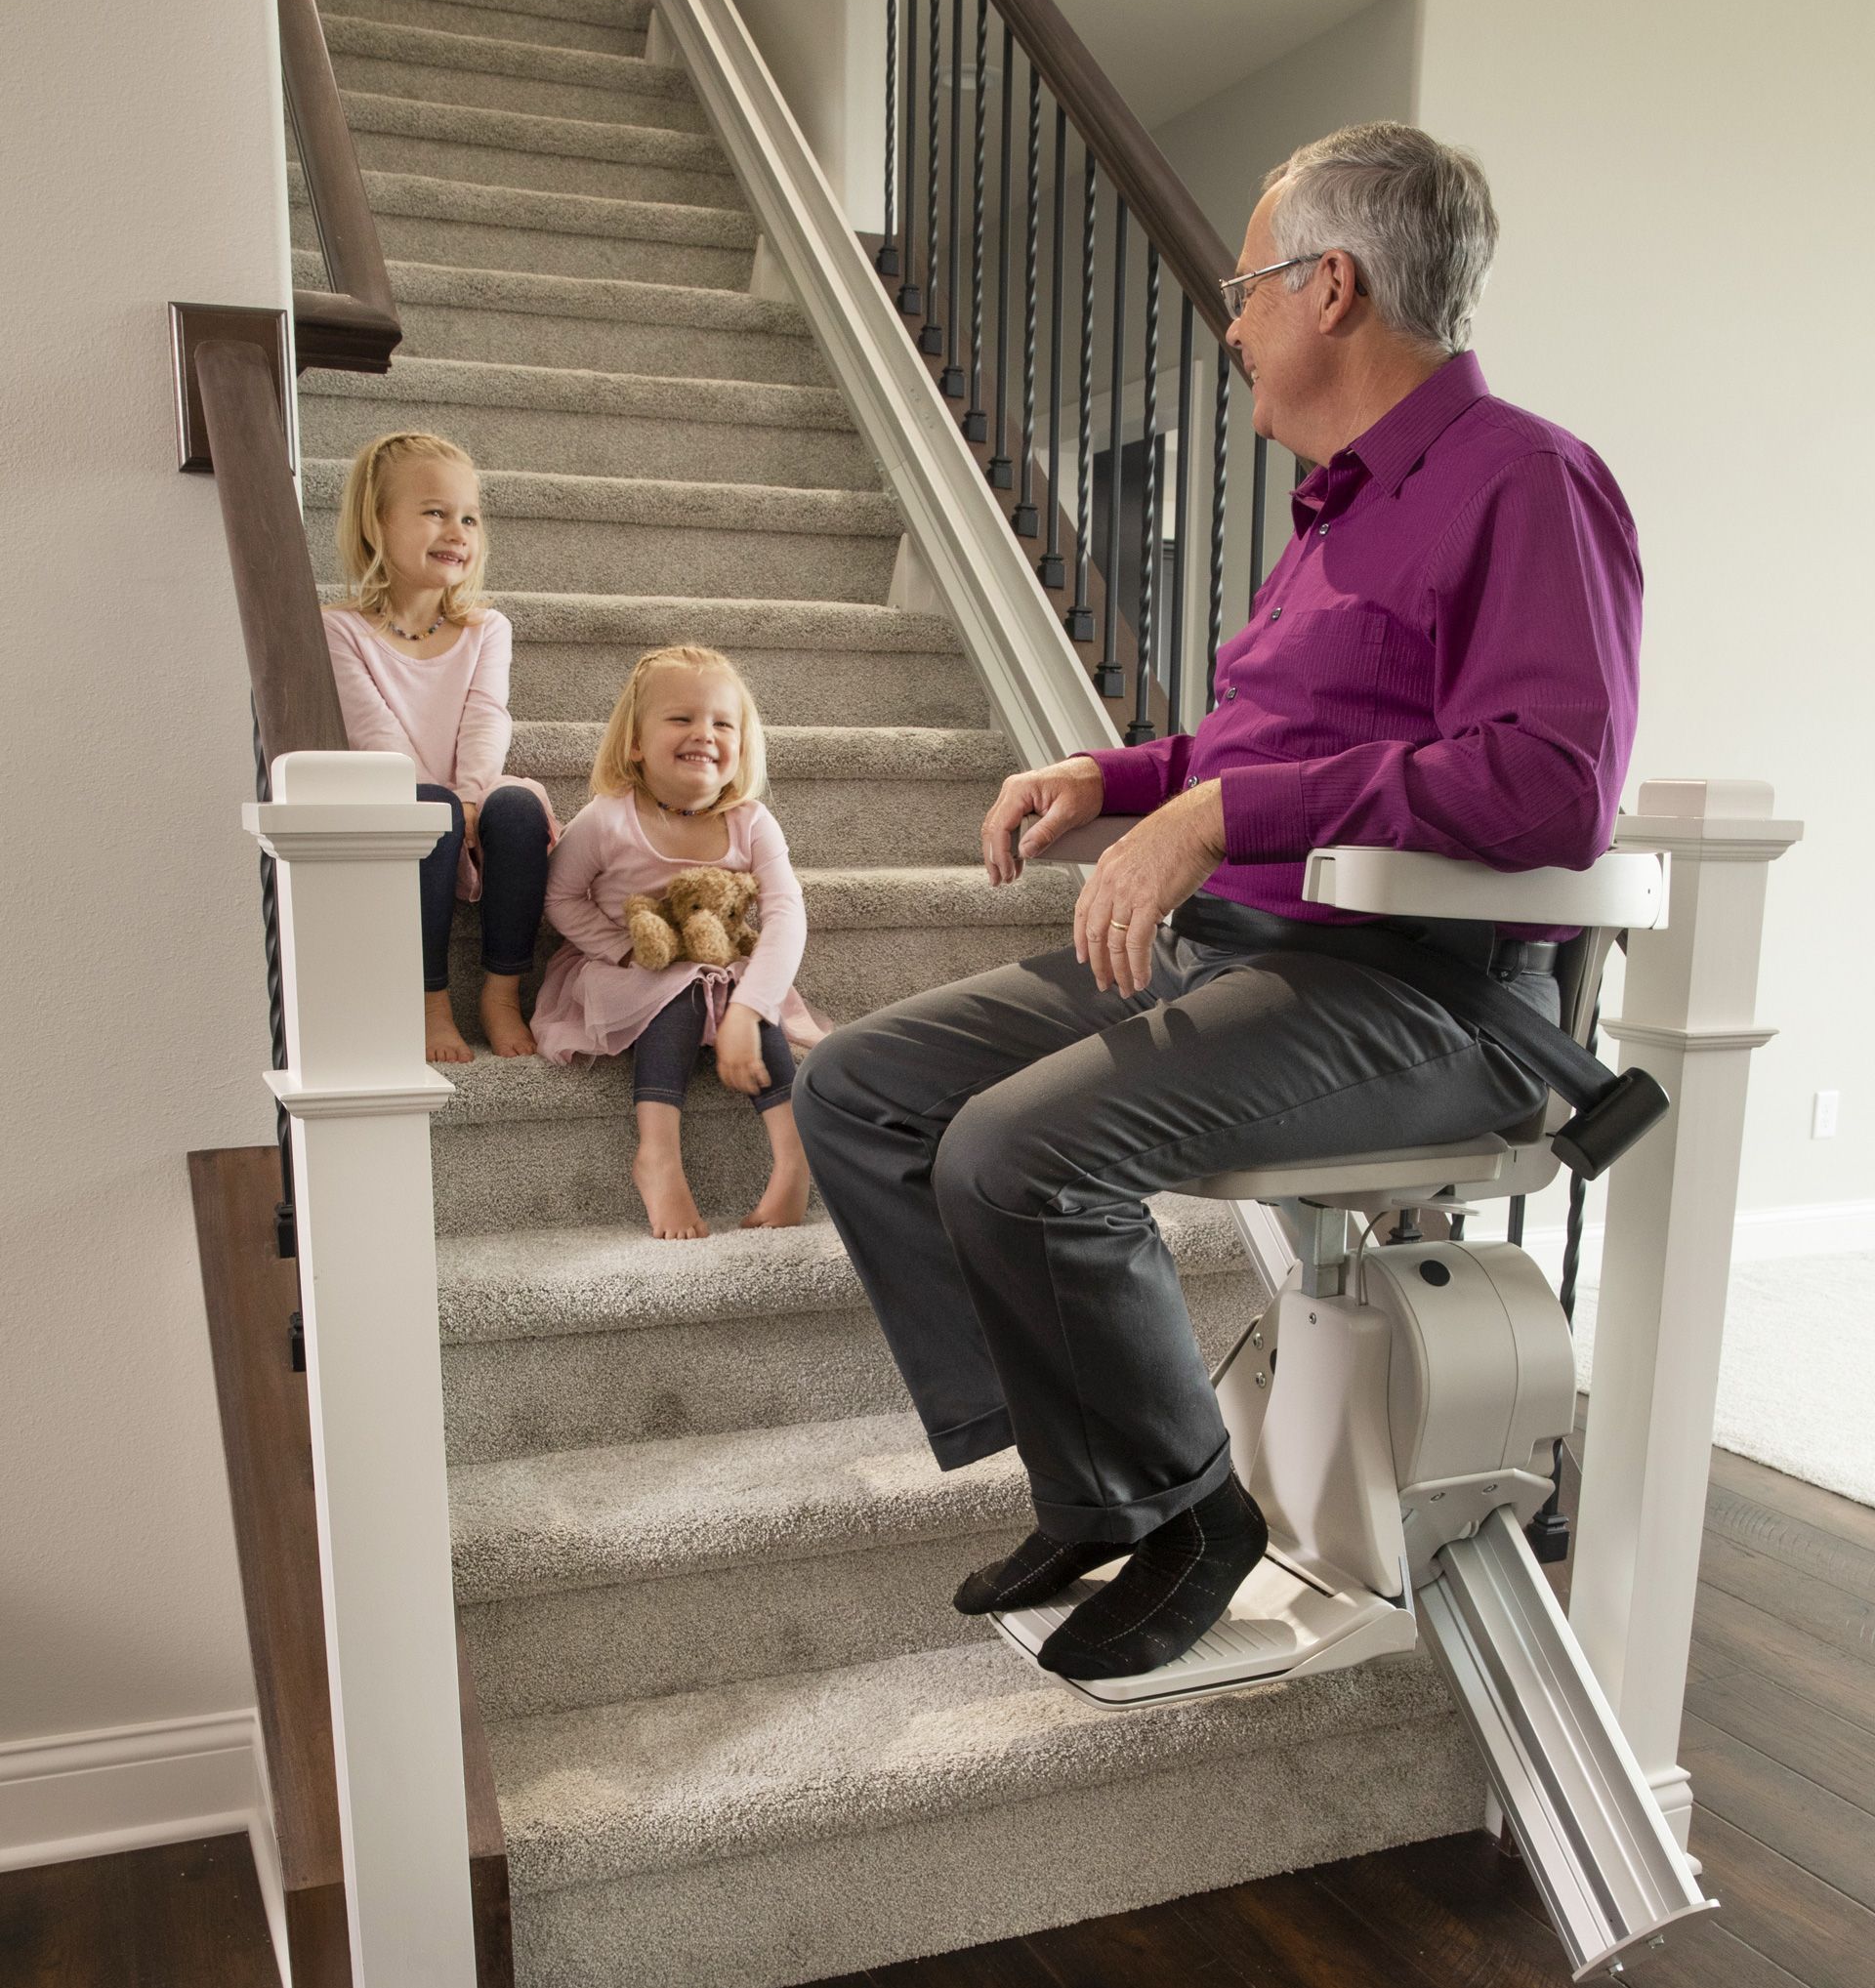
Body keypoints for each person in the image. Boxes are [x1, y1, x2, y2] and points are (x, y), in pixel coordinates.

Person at [794, 122, 1643, 1682]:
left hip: (1417, 998)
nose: (1227, 317)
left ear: (1331, 288)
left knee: (1015, 1150)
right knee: (857, 1088)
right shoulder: (1336, 509)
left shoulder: (1529, 482)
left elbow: (1549, 785)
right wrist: (1120, 780)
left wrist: (1230, 807)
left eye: (1246, 286)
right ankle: (1093, 1477)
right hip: (1242, 952)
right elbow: (1263, 746)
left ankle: (1191, 1509)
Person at [530, 644, 822, 1238]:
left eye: (722, 722)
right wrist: (624, 948)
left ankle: (795, 1160)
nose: (704, 734)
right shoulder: (608, 819)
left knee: (743, 991)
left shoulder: (750, 821)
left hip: (725, 970)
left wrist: (750, 1005)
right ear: (636, 743)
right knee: (685, 987)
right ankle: (657, 1155)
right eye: (681, 718)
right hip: (627, 969)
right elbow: (559, 897)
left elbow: (786, 914)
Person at [323, 432, 555, 1064]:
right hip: (397, 804)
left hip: (470, 794)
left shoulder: (486, 628)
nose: (457, 530)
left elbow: (486, 715)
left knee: (520, 810)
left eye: (469, 517)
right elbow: (377, 737)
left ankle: (502, 993)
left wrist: (474, 797)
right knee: (429, 806)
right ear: (377, 523)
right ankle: (429, 1000)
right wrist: (448, 806)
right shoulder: (340, 630)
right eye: (434, 512)